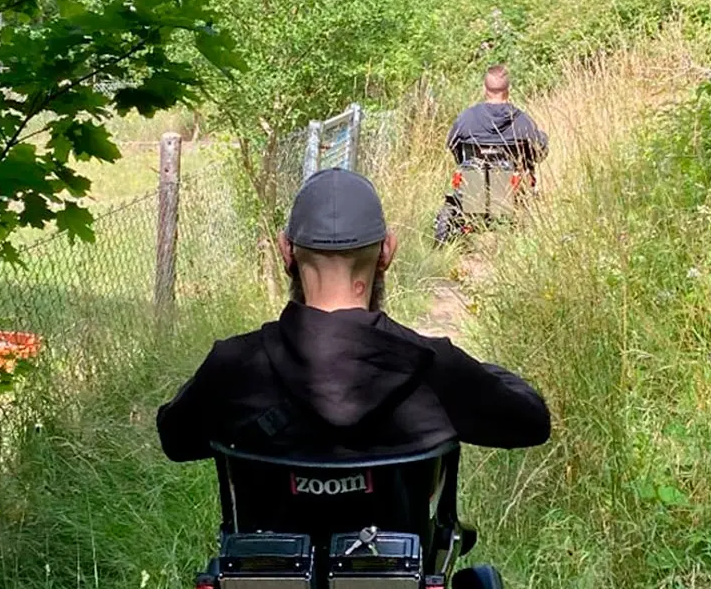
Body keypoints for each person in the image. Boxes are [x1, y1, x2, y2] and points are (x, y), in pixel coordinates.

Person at [156, 168, 549, 463]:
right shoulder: (432, 366)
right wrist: (480, 371)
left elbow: (176, 441)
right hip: (399, 570)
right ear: (387, 253)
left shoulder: (235, 366)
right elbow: (531, 422)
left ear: (286, 252)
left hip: (265, 573)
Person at [446, 64, 548, 170]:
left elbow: (453, 146)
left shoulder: (466, 119)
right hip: (516, 185)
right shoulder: (523, 121)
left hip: (472, 184)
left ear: (484, 89)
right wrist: (543, 138)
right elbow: (540, 154)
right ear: (508, 90)